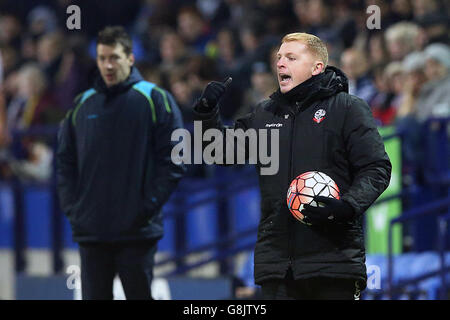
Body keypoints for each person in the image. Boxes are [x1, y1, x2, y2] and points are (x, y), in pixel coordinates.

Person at [193, 32, 391, 300]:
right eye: (278, 58)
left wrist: (348, 205)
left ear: (316, 67)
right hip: (277, 266)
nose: (280, 64)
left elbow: (376, 168)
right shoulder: (265, 114)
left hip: (333, 261)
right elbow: (218, 151)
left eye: (291, 57)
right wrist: (206, 113)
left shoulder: (347, 108)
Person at [56, 26, 185, 300]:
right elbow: (65, 163)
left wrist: (145, 207)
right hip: (92, 232)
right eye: (102, 58)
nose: (107, 65)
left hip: (136, 232)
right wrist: (74, 209)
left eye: (114, 57)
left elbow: (175, 159)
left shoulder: (156, 99)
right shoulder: (82, 104)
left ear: (130, 58)